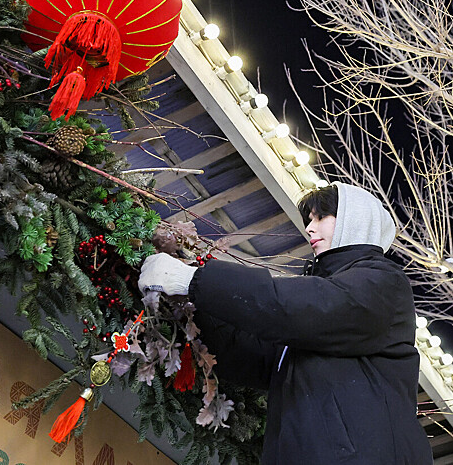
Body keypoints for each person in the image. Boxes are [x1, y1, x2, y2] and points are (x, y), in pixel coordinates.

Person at [138, 182, 433, 464]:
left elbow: (303, 308)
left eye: (322, 217)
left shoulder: (382, 282)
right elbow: (253, 358)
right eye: (309, 219)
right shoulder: (312, 317)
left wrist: (196, 280)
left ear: (355, 221)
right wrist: (195, 305)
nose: (309, 227)